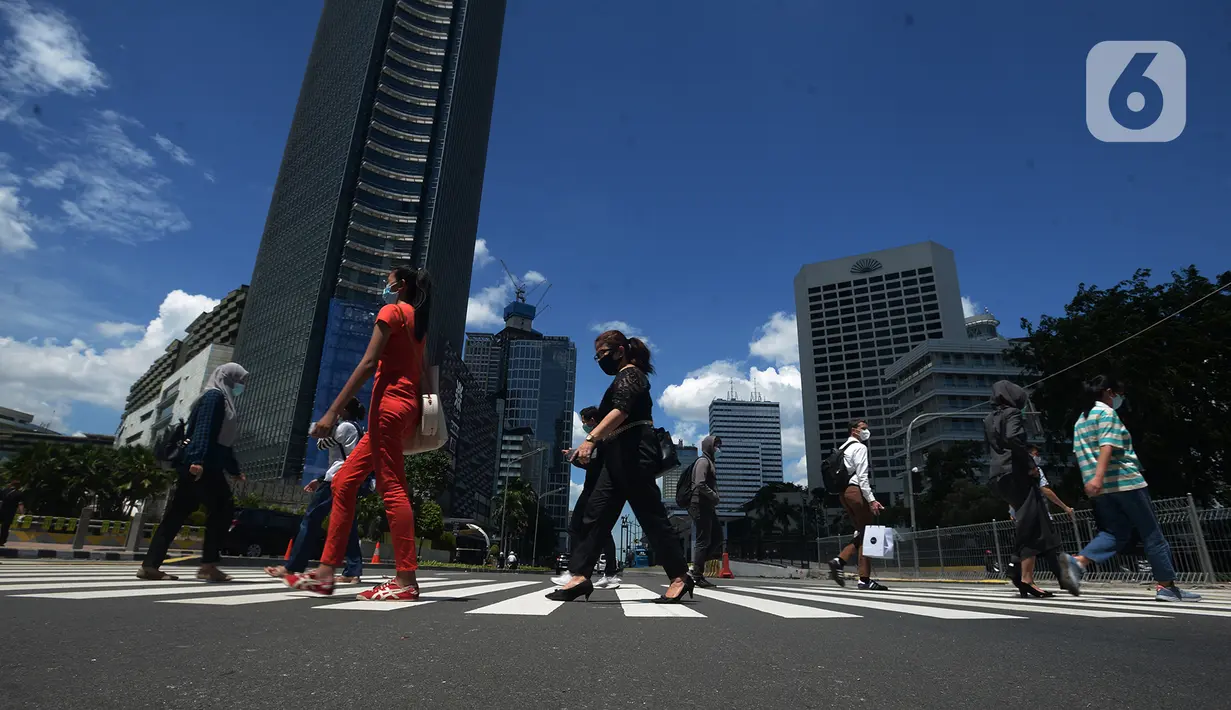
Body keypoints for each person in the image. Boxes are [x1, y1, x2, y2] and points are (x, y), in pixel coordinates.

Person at [285, 267, 431, 601]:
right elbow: (419, 373)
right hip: (403, 408)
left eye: (389, 279)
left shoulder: (392, 311)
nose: (386, 284)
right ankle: (325, 572)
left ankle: (406, 580)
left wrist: (332, 411)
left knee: (392, 489)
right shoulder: (417, 322)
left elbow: (367, 363)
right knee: (344, 482)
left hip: (388, 410)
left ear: (401, 285)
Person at [547, 330, 691, 603]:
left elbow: (621, 411)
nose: (600, 360)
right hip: (616, 455)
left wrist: (590, 439)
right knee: (596, 514)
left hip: (636, 453)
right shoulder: (621, 378)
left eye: (603, 354)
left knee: (651, 517)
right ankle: (579, 575)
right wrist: (587, 448)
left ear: (621, 350)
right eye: (597, 356)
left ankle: (680, 576)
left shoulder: (631, 374)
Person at [1059, 375, 1201, 602]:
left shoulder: (1081, 420)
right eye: (1117, 394)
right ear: (1108, 392)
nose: (1118, 398)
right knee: (1152, 534)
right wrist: (1098, 476)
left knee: (1115, 532)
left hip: (1101, 490)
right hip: (1125, 482)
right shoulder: (1106, 413)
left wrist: (1093, 480)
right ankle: (1166, 585)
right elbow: (1108, 445)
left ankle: (1078, 562)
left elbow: (1081, 455)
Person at [138, 362, 248, 582]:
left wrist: (234, 470)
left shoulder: (222, 399)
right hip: (203, 466)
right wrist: (197, 461)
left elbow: (223, 443)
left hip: (205, 464)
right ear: (227, 378)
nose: (240, 386)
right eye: (238, 381)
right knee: (223, 509)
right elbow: (203, 432)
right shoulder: (214, 397)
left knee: (177, 514)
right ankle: (208, 565)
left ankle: (150, 565)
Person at [984, 380, 1080, 597]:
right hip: (1017, 473)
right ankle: (1022, 575)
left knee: (1032, 524)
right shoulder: (1013, 414)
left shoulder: (989, 419)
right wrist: (1030, 465)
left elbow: (992, 446)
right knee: (1033, 525)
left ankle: (1019, 572)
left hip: (998, 476)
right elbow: (1012, 438)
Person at [264, 397, 372, 584]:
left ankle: (293, 566)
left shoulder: (345, 427)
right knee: (348, 525)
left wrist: (327, 423)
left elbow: (320, 440)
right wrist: (320, 478)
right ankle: (352, 571)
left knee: (311, 518)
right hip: (346, 478)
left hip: (338, 480)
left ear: (344, 410)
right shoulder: (355, 428)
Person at [555, 406, 621, 589]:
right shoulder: (604, 435)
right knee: (603, 532)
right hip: (599, 488)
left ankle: (576, 572)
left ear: (592, 420)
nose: (583, 426)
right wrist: (576, 454)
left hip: (594, 490)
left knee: (576, 528)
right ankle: (609, 573)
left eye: (584, 422)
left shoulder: (599, 436)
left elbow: (594, 463)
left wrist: (574, 456)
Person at [826, 420, 889, 591]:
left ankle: (845, 565)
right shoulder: (860, 448)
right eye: (864, 428)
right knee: (868, 534)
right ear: (854, 431)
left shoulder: (843, 448)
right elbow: (862, 477)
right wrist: (871, 500)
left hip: (844, 494)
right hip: (855, 491)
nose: (867, 431)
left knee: (862, 533)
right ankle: (858, 575)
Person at [688, 435, 723, 589]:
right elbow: (699, 483)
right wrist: (714, 495)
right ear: (709, 446)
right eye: (716, 445)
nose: (718, 449)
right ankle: (697, 575)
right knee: (703, 540)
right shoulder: (703, 461)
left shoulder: (710, 462)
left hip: (707, 506)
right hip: (700, 505)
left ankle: (695, 568)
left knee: (717, 537)